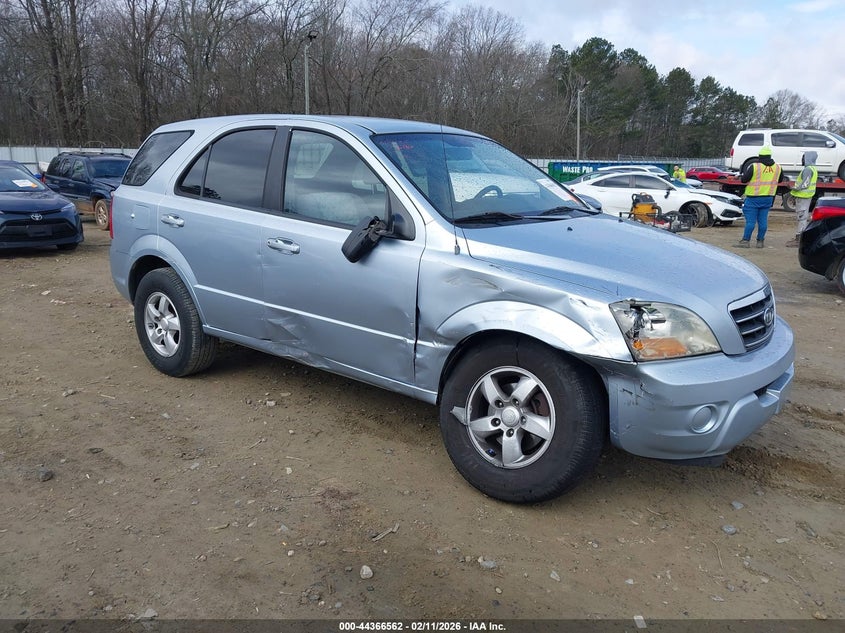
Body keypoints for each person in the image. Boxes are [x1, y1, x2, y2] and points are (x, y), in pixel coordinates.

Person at [736, 146, 785, 248]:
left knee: (750, 221)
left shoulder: (755, 166)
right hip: (768, 198)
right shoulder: (778, 167)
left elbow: (744, 180)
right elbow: (780, 180)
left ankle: (745, 241)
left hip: (754, 197)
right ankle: (760, 241)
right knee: (763, 221)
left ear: (760, 156)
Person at [785, 151, 818, 247]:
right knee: (802, 217)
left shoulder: (808, 169)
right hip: (806, 197)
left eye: (804, 157)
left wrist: (793, 188)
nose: (802, 159)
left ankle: (799, 239)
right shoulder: (813, 169)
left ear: (808, 158)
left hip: (803, 197)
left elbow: (805, 184)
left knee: (802, 217)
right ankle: (800, 237)